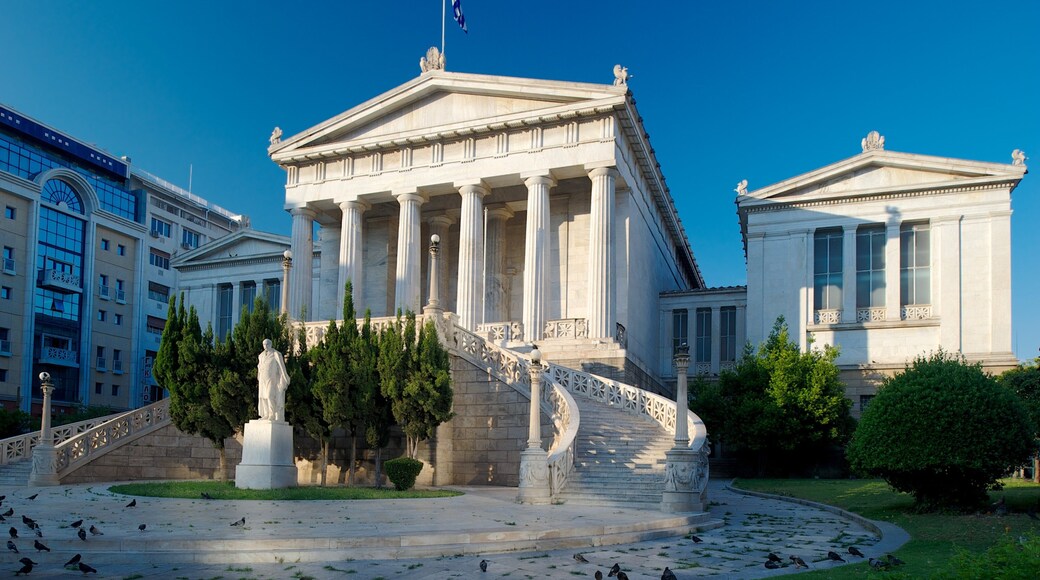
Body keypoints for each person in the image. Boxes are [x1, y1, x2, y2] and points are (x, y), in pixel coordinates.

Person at [257, 339, 290, 421]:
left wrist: (283, 378)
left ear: (271, 344)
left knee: (269, 396)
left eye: (267, 344)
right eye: (264, 344)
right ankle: (266, 414)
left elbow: (281, 367)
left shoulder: (276, 354)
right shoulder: (261, 356)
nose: (265, 346)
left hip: (272, 379)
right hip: (262, 379)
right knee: (263, 397)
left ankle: (272, 414)